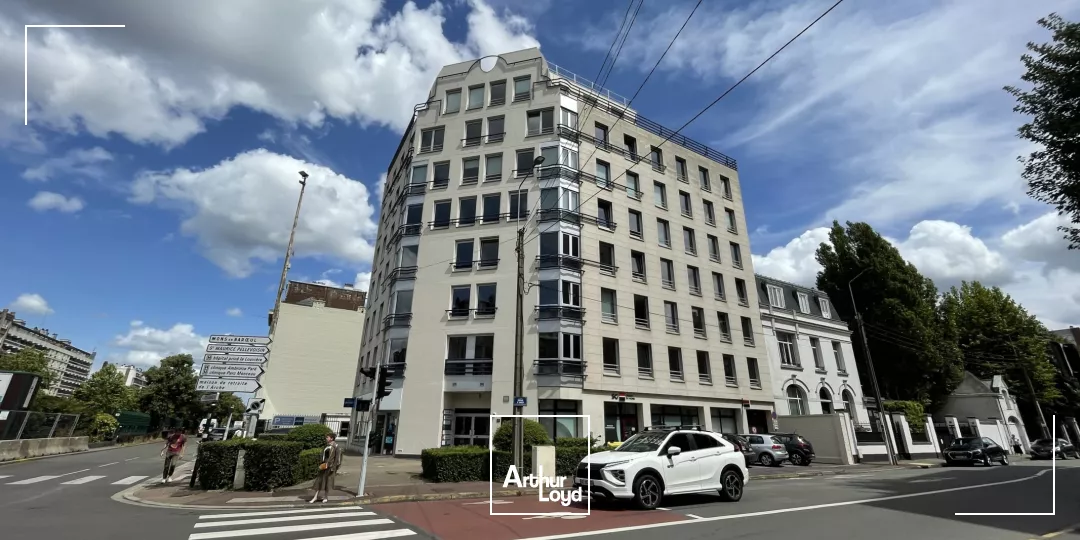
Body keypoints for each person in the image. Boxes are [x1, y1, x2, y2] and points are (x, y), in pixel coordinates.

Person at [309, 433, 342, 503]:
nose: (326, 438)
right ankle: (315, 497)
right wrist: (321, 463)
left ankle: (326, 497)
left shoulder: (336, 446)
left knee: (328, 482)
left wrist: (334, 467)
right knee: (319, 481)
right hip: (324, 465)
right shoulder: (326, 446)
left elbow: (337, 458)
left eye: (327, 437)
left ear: (331, 438)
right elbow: (323, 455)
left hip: (330, 467)